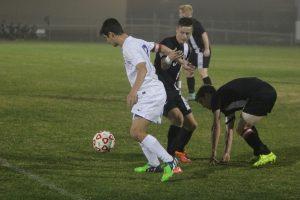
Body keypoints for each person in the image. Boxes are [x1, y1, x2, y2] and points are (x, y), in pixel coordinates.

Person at [100, 18, 186, 182]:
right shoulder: (136, 41)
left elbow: (142, 69)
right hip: (149, 91)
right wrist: (176, 57)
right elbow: (159, 47)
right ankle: (153, 164)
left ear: (111, 34)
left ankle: (170, 162)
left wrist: (133, 91)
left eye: (106, 37)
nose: (107, 41)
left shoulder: (128, 47)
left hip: (150, 92)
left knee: (136, 132)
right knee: (135, 126)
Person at [195, 77, 277, 167]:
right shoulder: (225, 100)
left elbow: (216, 126)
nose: (203, 106)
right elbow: (229, 129)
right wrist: (227, 153)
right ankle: (259, 153)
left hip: (262, 94)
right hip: (266, 92)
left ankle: (266, 153)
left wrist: (213, 153)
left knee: (242, 127)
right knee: (244, 125)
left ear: (207, 95)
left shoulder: (216, 97)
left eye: (201, 101)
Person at [154, 17, 198, 164]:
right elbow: (162, 66)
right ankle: (169, 155)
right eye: (182, 32)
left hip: (173, 88)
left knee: (191, 124)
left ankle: (178, 150)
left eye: (188, 34)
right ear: (177, 29)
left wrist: (186, 77)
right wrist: (169, 59)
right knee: (177, 118)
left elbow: (178, 70)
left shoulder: (187, 48)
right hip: (160, 87)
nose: (185, 36)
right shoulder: (167, 43)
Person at [179, 4, 212, 100]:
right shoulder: (185, 24)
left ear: (185, 13)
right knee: (189, 71)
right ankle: (192, 95)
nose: (179, 14)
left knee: (203, 73)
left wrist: (206, 49)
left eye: (180, 13)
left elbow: (204, 35)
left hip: (201, 51)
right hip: (194, 52)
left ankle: (211, 96)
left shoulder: (194, 23)